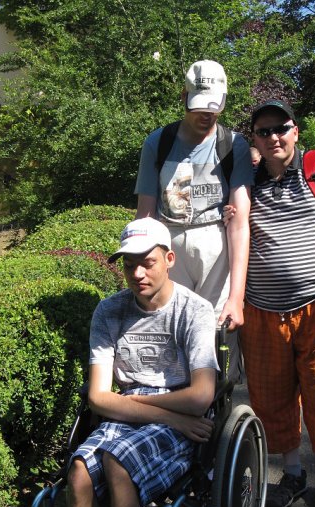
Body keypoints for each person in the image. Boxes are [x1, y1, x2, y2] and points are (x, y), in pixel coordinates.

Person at [15, 218, 218, 507]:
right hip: (154, 414)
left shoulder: (195, 311)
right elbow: (97, 397)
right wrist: (166, 414)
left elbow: (200, 396)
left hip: (173, 414)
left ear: (169, 259)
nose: (137, 273)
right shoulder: (109, 310)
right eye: (129, 265)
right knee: (78, 472)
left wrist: (145, 407)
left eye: (147, 263)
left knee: (117, 463)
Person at [234, 99, 315, 507]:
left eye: (280, 128)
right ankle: (292, 474)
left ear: (295, 131)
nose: (273, 137)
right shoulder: (246, 179)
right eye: (263, 131)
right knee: (272, 399)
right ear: (254, 140)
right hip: (261, 312)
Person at [135, 59, 252, 381]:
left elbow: (240, 222)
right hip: (169, 246)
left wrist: (236, 298)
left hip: (217, 251)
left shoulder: (233, 146)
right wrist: (140, 268)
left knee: (215, 336)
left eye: (214, 107)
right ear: (184, 97)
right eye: (199, 106)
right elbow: (145, 213)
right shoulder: (158, 143)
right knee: (170, 330)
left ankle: (215, 402)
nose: (206, 116)